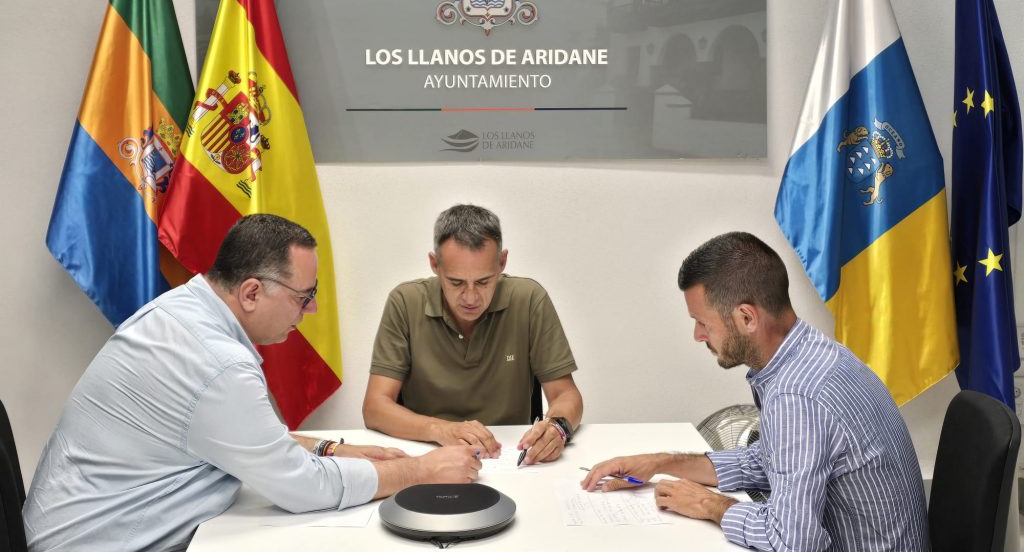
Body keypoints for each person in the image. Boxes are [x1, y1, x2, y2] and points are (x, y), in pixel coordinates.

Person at [25, 214, 480, 552]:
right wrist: (420, 472)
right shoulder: (216, 362)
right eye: (304, 298)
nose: (311, 312)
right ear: (251, 293)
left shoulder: (184, 310)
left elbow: (238, 440)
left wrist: (332, 448)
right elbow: (303, 489)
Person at [582, 231, 930, 552]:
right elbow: (769, 459)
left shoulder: (797, 396)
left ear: (747, 318)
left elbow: (793, 541)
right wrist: (659, 463)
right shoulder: (815, 354)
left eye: (703, 323)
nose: (698, 336)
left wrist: (710, 504)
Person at [362, 204, 583, 465]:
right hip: (428, 456)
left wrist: (557, 428)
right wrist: (440, 429)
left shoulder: (529, 299)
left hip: (511, 455)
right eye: (456, 282)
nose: (470, 298)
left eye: (483, 281)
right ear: (435, 264)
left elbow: (566, 395)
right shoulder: (405, 302)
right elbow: (375, 408)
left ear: (502, 262)